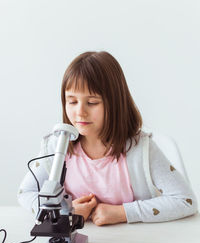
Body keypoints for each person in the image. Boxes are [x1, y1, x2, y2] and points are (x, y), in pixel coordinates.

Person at [18, 51, 198, 226]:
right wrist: (65, 211)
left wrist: (122, 213)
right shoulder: (56, 146)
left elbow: (186, 201)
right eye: (72, 102)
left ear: (115, 103)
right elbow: (25, 192)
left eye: (92, 102)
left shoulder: (141, 148)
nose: (80, 112)